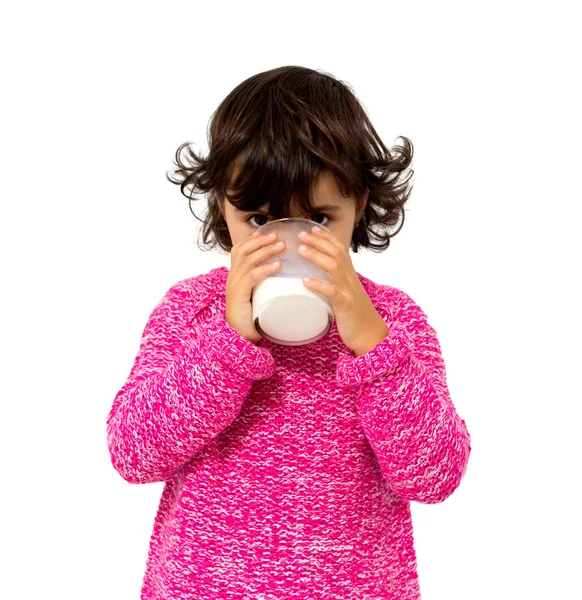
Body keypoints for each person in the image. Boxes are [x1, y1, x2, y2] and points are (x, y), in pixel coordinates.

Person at [106, 65, 472, 600]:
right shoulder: (192, 309)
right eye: (258, 220)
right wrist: (226, 345)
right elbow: (133, 453)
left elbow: (434, 475)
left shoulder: (392, 321)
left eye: (318, 221)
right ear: (222, 207)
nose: (288, 246)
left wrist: (374, 347)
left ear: (359, 206)